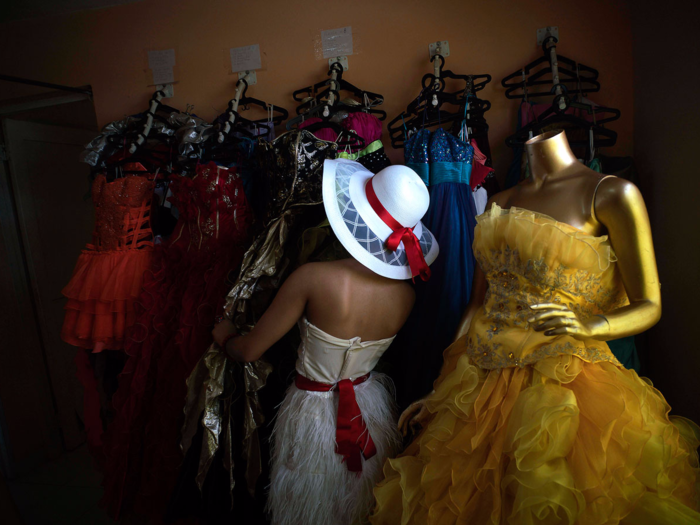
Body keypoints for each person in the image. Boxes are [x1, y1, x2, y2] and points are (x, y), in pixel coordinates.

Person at [370, 130, 700, 525]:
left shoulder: (611, 193)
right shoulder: (498, 203)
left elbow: (650, 304)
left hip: (568, 384)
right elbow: (478, 305)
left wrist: (590, 325)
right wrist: (442, 391)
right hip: (481, 382)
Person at [212, 159, 439, 525]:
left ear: (355, 214)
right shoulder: (406, 297)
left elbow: (250, 351)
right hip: (370, 409)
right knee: (359, 504)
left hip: (311, 411)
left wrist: (225, 338)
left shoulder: (313, 278)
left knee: (308, 506)